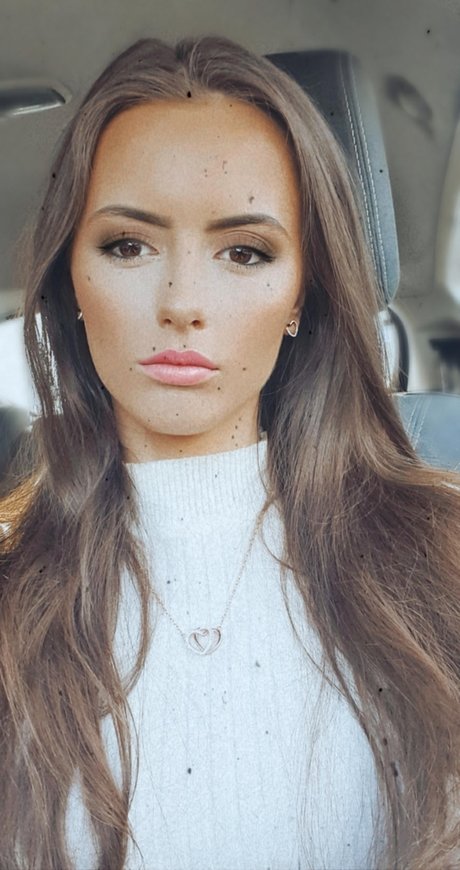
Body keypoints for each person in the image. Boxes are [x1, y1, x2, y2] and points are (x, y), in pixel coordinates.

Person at [1, 34, 459, 870]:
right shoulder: (11, 587)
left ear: (301, 293)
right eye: (128, 245)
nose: (182, 301)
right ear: (71, 280)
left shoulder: (442, 554)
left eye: (245, 251)